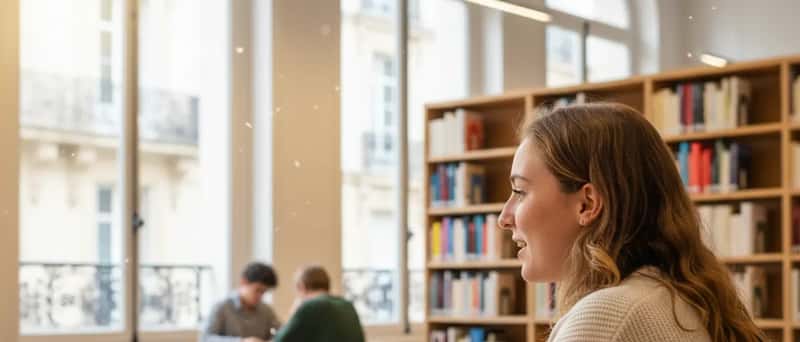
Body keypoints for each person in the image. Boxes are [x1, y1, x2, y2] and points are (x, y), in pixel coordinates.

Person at [498, 103, 765, 341]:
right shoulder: (678, 298)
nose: (504, 219)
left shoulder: (607, 318)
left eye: (520, 191)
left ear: (587, 204)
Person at [273, 265, 365, 342]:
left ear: (301, 286)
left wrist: (294, 313)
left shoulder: (311, 306)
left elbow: (280, 340)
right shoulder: (347, 305)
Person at [200, 262, 282, 342]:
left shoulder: (266, 310)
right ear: (243, 282)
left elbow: (281, 332)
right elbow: (205, 339)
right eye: (257, 290)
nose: (260, 296)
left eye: (264, 292)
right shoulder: (221, 307)